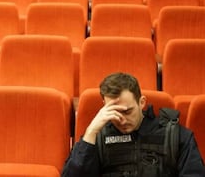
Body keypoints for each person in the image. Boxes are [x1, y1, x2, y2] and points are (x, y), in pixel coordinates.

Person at [62, 72, 205, 177]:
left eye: (127, 111)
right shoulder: (96, 139)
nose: (122, 120)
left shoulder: (175, 135)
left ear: (141, 103)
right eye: (115, 112)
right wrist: (91, 132)